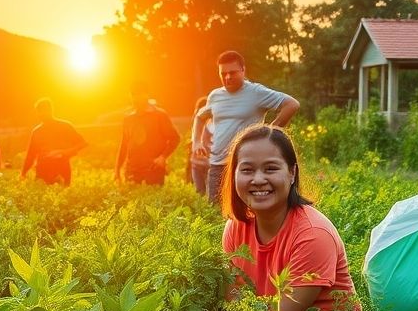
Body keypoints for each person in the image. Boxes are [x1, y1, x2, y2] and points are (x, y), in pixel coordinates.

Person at [214, 124, 362, 311]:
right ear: (234, 174)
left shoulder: (313, 234)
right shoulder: (235, 228)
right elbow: (236, 300)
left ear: (292, 173)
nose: (258, 179)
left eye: (271, 168)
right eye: (247, 170)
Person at [192, 51, 299, 204]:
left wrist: (269, 131)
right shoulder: (215, 96)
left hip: (247, 165)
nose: (228, 77)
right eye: (224, 74)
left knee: (246, 209)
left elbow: (292, 104)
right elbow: (200, 117)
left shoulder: (256, 92)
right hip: (218, 164)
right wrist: (196, 142)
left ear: (243, 70)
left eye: (232, 72)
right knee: (214, 212)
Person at [115, 83, 180, 185]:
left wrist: (163, 157)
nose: (137, 99)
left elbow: (175, 138)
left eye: (140, 95)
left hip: (153, 169)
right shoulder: (128, 118)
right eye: (133, 95)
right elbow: (124, 145)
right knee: (133, 200)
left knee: (154, 199)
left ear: (147, 95)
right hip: (132, 171)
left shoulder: (159, 115)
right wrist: (117, 169)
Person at [21, 98, 87, 186]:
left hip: (62, 170)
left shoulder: (65, 126)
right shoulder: (36, 131)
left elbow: (82, 143)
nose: (41, 114)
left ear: (51, 110)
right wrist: (23, 173)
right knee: (41, 197)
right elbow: (30, 155)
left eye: (44, 111)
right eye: (39, 111)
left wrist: (65, 152)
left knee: (62, 197)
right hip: (42, 172)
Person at [187, 95, 212, 196]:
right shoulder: (196, 124)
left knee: (209, 194)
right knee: (200, 193)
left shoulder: (213, 124)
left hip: (209, 165)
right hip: (196, 164)